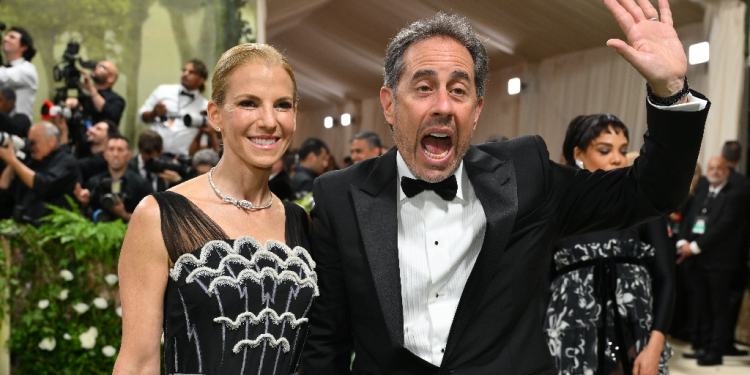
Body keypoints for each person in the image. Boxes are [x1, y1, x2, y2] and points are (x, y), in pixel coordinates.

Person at [300, 2, 710, 373]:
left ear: (476, 110)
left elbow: (651, 191)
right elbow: (327, 342)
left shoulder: (526, 174)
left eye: (459, 90)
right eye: (424, 87)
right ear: (389, 104)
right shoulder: (341, 196)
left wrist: (671, 90)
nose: (443, 105)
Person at [114, 44, 316, 374]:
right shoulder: (159, 216)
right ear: (215, 115)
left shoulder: (301, 221)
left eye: (282, 105)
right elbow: (137, 362)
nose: (268, 120)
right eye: (248, 103)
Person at [544, 114, 674, 375]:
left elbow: (667, 278)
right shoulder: (554, 211)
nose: (618, 158)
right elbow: (539, 287)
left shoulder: (644, 208)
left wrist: (655, 346)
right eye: (605, 150)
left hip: (635, 343)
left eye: (623, 150)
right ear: (578, 153)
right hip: (569, 344)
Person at [675, 156, 749, 366]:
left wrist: (695, 247)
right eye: (711, 167)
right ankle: (703, 346)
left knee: (718, 309)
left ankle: (715, 351)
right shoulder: (702, 193)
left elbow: (723, 228)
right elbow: (689, 220)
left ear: (727, 171)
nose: (715, 171)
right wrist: (682, 242)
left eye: (719, 168)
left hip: (719, 264)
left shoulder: (735, 196)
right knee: (702, 307)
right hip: (696, 262)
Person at [0, 122, 79, 226]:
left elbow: (44, 184)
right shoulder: (29, 163)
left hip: (49, 230)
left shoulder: (66, 161)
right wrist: (13, 158)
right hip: (21, 227)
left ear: (52, 141)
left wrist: (14, 161)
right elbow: (3, 187)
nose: (31, 147)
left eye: (34, 142)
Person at [138, 59, 214, 156]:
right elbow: (142, 117)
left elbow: (203, 142)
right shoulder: (163, 91)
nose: (185, 74)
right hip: (153, 155)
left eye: (191, 72)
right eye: (184, 70)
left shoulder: (205, 106)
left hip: (182, 159)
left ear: (201, 80)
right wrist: (154, 113)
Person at [73, 135, 152, 223]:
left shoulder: (141, 185)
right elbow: (84, 217)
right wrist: (85, 203)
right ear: (105, 155)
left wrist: (123, 214)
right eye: (111, 149)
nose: (115, 154)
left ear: (129, 155)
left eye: (120, 150)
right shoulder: (94, 182)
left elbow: (147, 222)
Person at [719, 140, 750, 357]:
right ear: (739, 158)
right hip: (738, 252)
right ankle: (725, 343)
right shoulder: (745, 184)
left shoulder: (710, 180)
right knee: (732, 298)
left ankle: (707, 342)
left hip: (709, 250)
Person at [0, 27, 38, 122]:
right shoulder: (6, 68)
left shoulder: (27, 70)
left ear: (23, 47)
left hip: (19, 128)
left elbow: (4, 76)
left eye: (12, 37)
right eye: (6, 36)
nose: (5, 39)